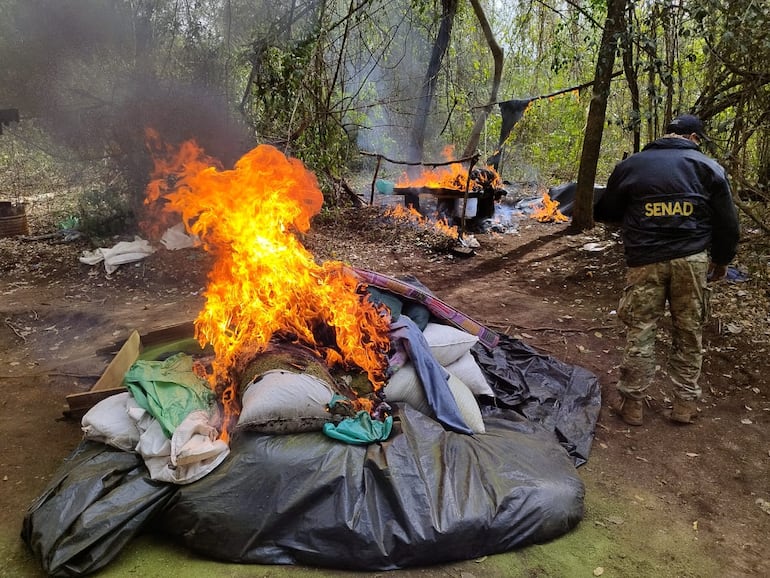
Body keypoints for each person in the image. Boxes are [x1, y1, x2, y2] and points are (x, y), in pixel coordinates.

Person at [595, 114, 740, 426]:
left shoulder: (632, 165)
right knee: (689, 331)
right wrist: (722, 260)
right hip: (692, 260)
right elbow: (727, 223)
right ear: (693, 138)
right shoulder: (708, 168)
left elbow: (606, 210)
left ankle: (632, 404)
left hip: (645, 260)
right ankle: (684, 405)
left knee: (641, 329)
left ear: (668, 134)